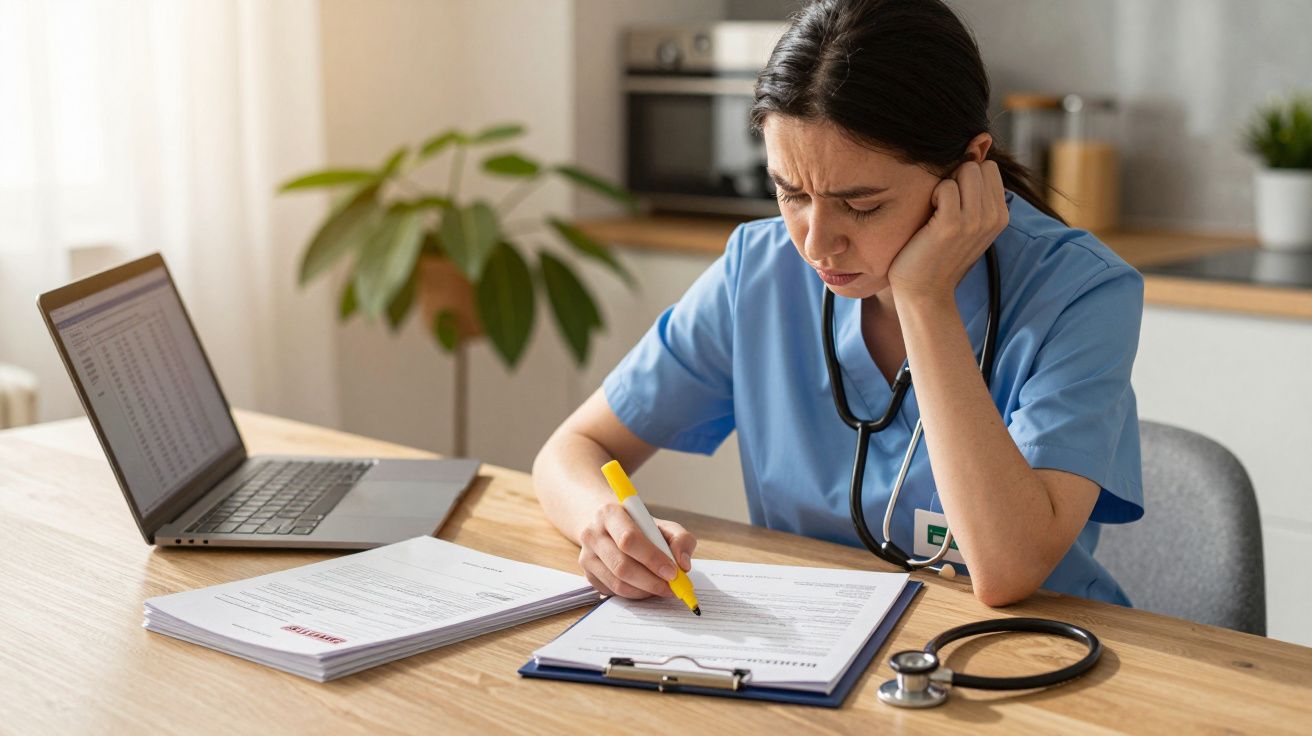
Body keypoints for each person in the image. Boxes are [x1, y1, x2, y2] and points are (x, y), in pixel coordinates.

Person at [532, 0, 1144, 607]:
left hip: (1029, 659)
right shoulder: (759, 270)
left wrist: (923, 297)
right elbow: (573, 450)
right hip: (814, 655)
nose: (817, 243)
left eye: (863, 203)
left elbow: (1008, 570)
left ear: (970, 164)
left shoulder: (1080, 293)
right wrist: (606, 525)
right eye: (789, 192)